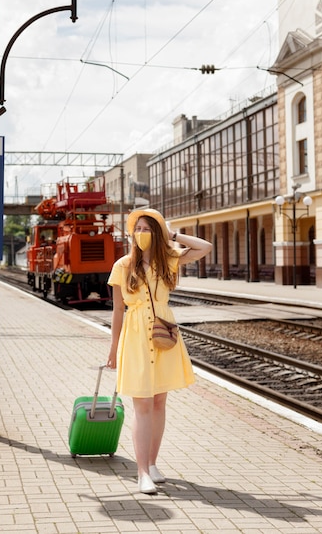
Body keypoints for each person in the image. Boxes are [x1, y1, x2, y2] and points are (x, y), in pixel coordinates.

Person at [107, 209, 212, 494]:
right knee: (142, 405)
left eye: (147, 228)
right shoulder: (123, 265)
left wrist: (171, 236)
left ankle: (152, 463)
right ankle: (141, 472)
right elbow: (118, 310)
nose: (140, 233)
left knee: (158, 403)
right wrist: (113, 348)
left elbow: (205, 247)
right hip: (137, 335)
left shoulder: (169, 260)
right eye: (137, 228)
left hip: (164, 334)